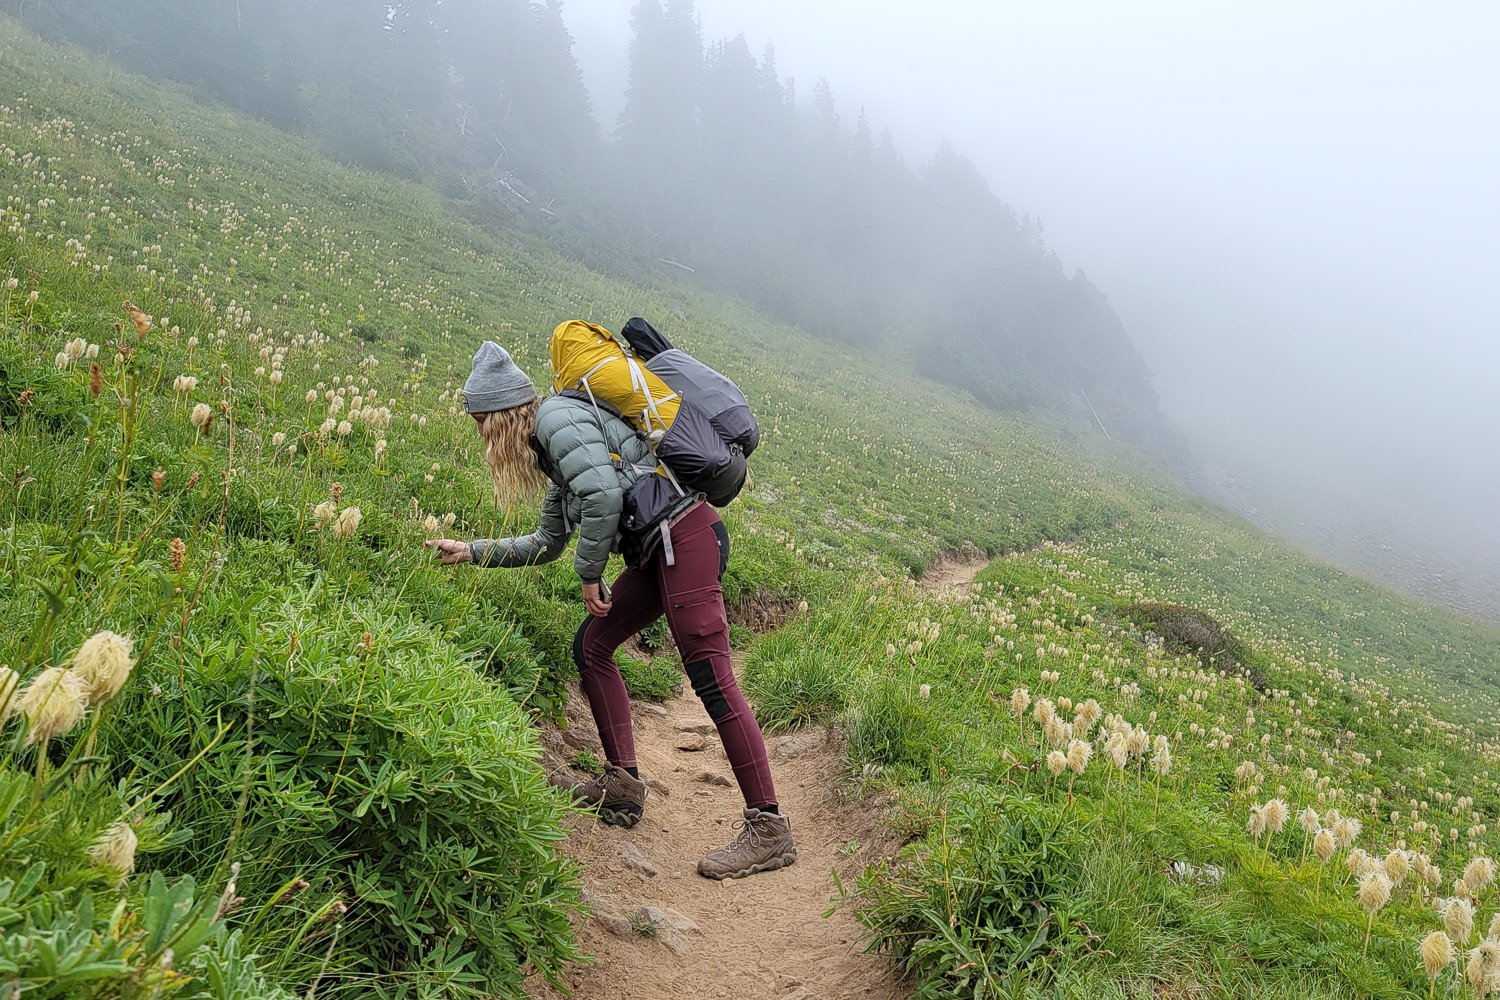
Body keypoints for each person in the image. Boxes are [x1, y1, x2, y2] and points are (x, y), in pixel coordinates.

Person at [425, 340, 796, 880]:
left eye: (482, 421)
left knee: (713, 680)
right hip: (659, 549)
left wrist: (590, 573)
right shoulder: (553, 448)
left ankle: (769, 827)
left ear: (503, 412)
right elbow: (549, 541)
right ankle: (622, 785)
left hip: (685, 540)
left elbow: (602, 497)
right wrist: (471, 552)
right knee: (592, 646)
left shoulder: (554, 417)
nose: (482, 435)